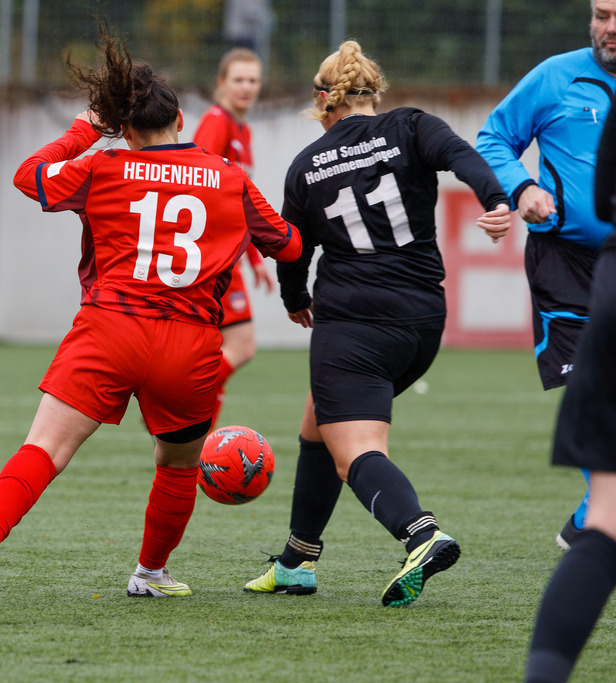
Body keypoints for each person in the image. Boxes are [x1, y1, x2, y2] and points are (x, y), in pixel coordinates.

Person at [0, 20, 301, 606]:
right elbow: (289, 245)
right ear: (181, 121)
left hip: (109, 328)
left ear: (123, 126)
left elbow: (29, 178)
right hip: (190, 342)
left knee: (44, 447)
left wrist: (84, 131)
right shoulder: (229, 178)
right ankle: (149, 572)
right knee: (177, 464)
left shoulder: (103, 167)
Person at [242, 41, 511, 607]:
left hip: (354, 323)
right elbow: (463, 155)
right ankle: (296, 561)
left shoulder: (306, 165)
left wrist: (296, 299)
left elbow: (293, 249)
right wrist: (496, 199)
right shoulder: (412, 125)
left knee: (356, 449)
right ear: (375, 93)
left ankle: (421, 534)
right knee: (320, 419)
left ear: (323, 99)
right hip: (421, 322)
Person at [476, 0, 616, 550]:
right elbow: (493, 138)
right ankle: (600, 517)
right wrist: (523, 189)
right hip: (565, 260)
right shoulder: (555, 77)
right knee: (589, 384)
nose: (611, 27)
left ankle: (588, 518)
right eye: (602, 14)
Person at [524, 100, 616, 683]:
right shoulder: (555, 80)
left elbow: (605, 195)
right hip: (580, 283)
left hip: (609, 288)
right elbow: (494, 136)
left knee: (606, 526)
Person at [193, 48, 275, 429]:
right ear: (221, 83)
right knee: (240, 348)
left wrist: (256, 259)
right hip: (212, 253)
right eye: (238, 79)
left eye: (253, 80)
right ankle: (185, 403)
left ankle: (198, 440)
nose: (246, 87)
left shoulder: (243, 129)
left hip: (228, 255)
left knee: (229, 349)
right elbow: (197, 183)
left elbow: (244, 201)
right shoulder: (216, 123)